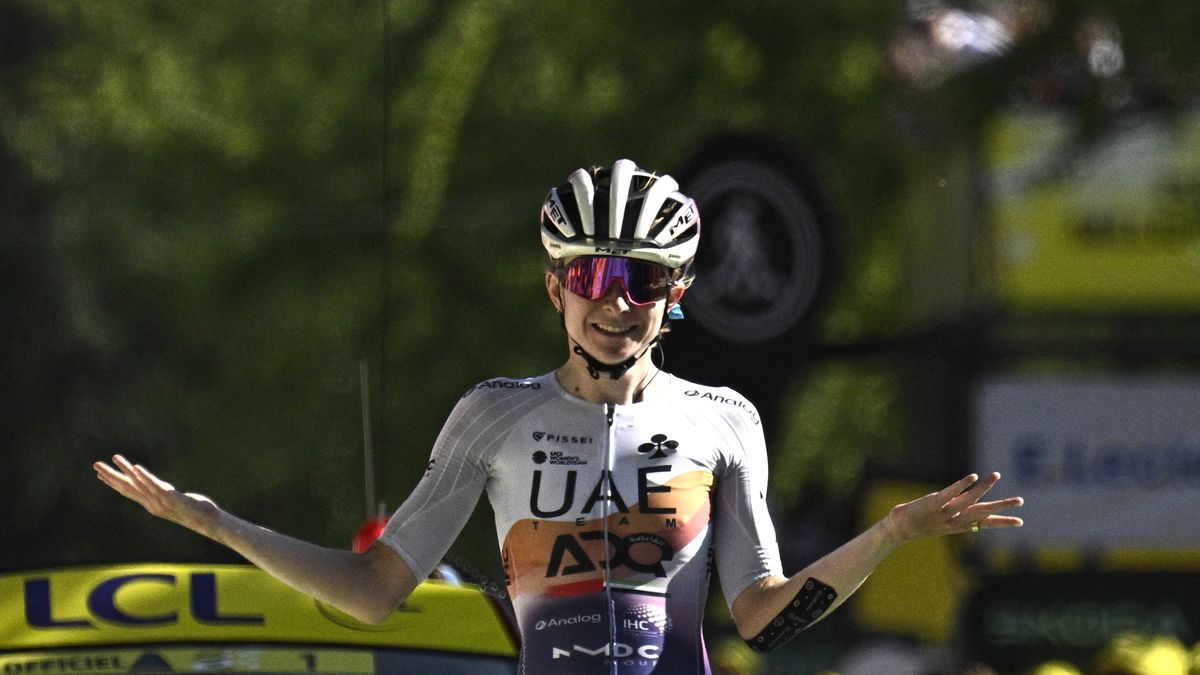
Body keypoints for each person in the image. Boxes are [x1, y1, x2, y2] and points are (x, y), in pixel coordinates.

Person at [95, 159, 1024, 674]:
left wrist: (892, 533)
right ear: (555, 287)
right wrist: (215, 523)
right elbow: (374, 590)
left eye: (642, 280)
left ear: (677, 295)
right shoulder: (492, 416)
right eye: (591, 275)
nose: (614, 302)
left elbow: (763, 619)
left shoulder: (724, 420)